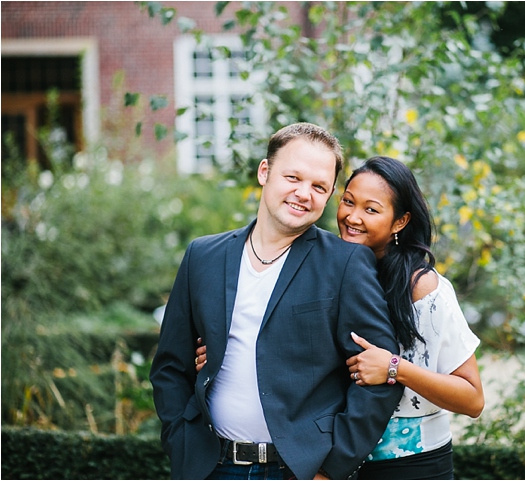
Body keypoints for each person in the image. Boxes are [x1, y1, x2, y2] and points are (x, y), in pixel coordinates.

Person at [197, 156, 485, 479]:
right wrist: (225, 357)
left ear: (400, 222)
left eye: (371, 210)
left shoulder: (423, 288)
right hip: (336, 462)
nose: (353, 217)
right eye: (348, 202)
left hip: (410, 464)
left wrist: (395, 368)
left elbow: (472, 399)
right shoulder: (326, 269)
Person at [150, 124, 404, 480]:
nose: (304, 193)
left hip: (297, 470)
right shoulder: (202, 256)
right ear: (264, 172)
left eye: (318, 186)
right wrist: (181, 441)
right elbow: (170, 367)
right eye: (293, 177)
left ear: (330, 193)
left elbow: (379, 379)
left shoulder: (345, 264)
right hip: (210, 466)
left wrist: (330, 470)